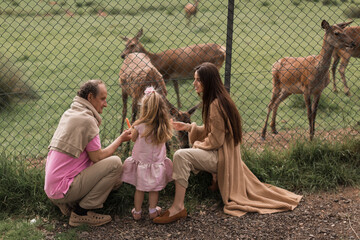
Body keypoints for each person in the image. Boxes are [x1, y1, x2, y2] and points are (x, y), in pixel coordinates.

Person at [153, 62, 302, 224]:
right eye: (195, 79)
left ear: (208, 82)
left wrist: (196, 146)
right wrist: (189, 127)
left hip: (222, 157)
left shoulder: (215, 104)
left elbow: (216, 140)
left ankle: (178, 207)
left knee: (181, 155)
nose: (194, 83)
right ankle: (182, 203)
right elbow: (215, 129)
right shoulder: (219, 100)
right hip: (226, 154)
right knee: (184, 155)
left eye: (198, 80)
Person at [44, 79, 132, 227]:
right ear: (90, 97)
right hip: (64, 187)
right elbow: (97, 157)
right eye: (102, 99)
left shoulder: (71, 113)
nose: (105, 103)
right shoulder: (87, 120)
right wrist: (120, 139)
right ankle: (81, 213)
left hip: (52, 186)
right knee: (115, 164)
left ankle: (69, 202)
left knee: (116, 181)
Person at [121, 86, 173, 220]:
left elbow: (132, 139)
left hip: (141, 162)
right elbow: (167, 138)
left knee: (139, 189)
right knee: (154, 189)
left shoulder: (139, 124)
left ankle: (137, 212)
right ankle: (152, 211)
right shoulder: (163, 125)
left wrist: (132, 131)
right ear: (161, 108)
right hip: (155, 163)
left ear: (144, 108)